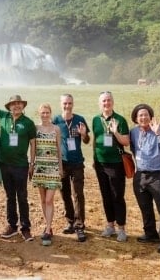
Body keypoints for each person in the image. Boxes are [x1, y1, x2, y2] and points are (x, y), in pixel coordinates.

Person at [0, 79, 37, 242]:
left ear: (23, 106)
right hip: (5, 164)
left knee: (22, 196)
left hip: (21, 165)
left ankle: (26, 228)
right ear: (9, 106)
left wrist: (32, 164)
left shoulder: (28, 123)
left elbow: (33, 144)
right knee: (9, 196)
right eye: (13, 104)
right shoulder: (4, 116)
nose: (16, 106)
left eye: (19, 104)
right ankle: (12, 226)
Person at [128, 103, 160, 254]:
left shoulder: (158, 129)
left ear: (151, 117)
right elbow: (133, 149)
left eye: (146, 115)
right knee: (145, 208)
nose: (143, 117)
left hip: (158, 176)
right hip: (140, 174)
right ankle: (150, 233)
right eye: (140, 115)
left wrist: (158, 133)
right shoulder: (133, 132)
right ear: (136, 118)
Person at [91, 91, 129, 242]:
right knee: (106, 195)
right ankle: (110, 226)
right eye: (103, 101)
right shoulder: (95, 119)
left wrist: (115, 133)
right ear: (99, 103)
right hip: (100, 164)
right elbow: (95, 140)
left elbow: (126, 142)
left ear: (113, 102)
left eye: (108, 100)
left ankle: (122, 229)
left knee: (117, 196)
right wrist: (94, 159)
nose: (106, 103)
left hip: (116, 164)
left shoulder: (120, 120)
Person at [53, 93, 90, 242]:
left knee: (78, 194)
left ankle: (80, 225)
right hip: (62, 163)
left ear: (73, 104)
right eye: (65, 103)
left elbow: (87, 140)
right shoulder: (56, 120)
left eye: (70, 103)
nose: (67, 106)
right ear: (60, 104)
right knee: (65, 194)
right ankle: (70, 221)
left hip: (77, 163)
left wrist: (83, 134)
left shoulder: (80, 120)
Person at [32, 103, 63, 247]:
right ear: (39, 114)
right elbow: (33, 148)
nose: (45, 115)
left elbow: (59, 149)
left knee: (50, 200)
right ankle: (48, 226)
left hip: (53, 168)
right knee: (43, 200)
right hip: (40, 167)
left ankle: (48, 228)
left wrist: (60, 168)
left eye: (47, 112)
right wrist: (31, 165)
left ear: (51, 113)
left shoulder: (56, 129)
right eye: (42, 113)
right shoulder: (36, 129)